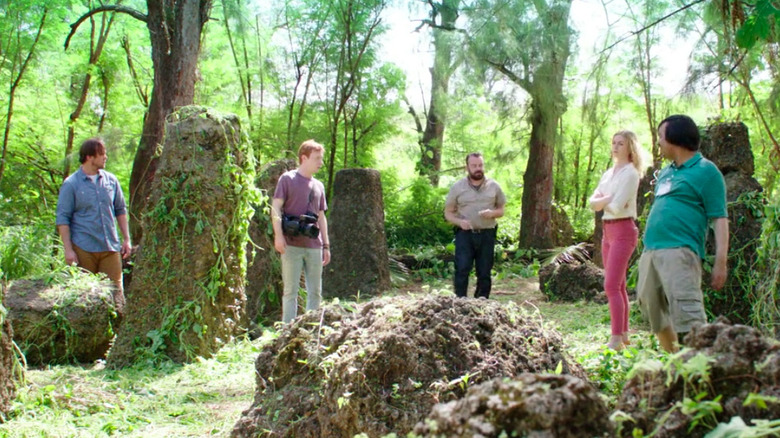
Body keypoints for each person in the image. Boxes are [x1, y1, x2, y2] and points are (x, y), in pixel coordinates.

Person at [637, 115, 729, 352]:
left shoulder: (706, 171)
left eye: (660, 136)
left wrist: (720, 262)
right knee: (651, 308)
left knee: (687, 314)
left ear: (675, 137)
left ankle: (702, 369)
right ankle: (676, 362)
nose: (658, 142)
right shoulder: (665, 173)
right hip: (651, 251)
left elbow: (719, 218)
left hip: (681, 251)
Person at [56, 138, 132, 317]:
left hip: (110, 247)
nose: (106, 157)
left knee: (116, 296)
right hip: (84, 248)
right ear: (90, 157)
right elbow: (62, 218)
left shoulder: (111, 181)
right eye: (102, 153)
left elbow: (120, 209)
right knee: (84, 298)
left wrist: (127, 239)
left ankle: (117, 338)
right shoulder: (71, 184)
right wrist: (68, 250)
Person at [589, 131, 643, 350]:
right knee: (618, 285)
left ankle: (615, 338)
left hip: (623, 229)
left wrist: (604, 200)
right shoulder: (608, 174)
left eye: (621, 143)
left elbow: (617, 206)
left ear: (630, 147)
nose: (616, 147)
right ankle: (624, 333)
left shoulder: (631, 173)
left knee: (610, 285)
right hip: (607, 230)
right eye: (613, 143)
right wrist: (606, 200)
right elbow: (593, 204)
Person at [272, 140, 331, 323]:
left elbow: (321, 217)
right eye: (316, 158)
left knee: (315, 291)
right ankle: (287, 332)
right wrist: (279, 236)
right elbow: (275, 208)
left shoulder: (319, 186)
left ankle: (312, 329)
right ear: (303, 158)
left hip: (314, 245)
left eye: (321, 158)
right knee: (290, 291)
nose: (320, 162)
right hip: (291, 245)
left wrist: (326, 245)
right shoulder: (287, 179)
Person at [444, 152, 506, 299]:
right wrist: (460, 222)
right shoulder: (457, 187)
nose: (478, 168)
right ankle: (460, 302)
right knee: (462, 269)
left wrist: (492, 213)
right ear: (467, 167)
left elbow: (501, 210)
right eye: (474, 165)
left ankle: (482, 303)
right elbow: (448, 213)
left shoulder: (494, 186)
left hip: (487, 234)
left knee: (484, 272)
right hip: (464, 234)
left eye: (480, 165)